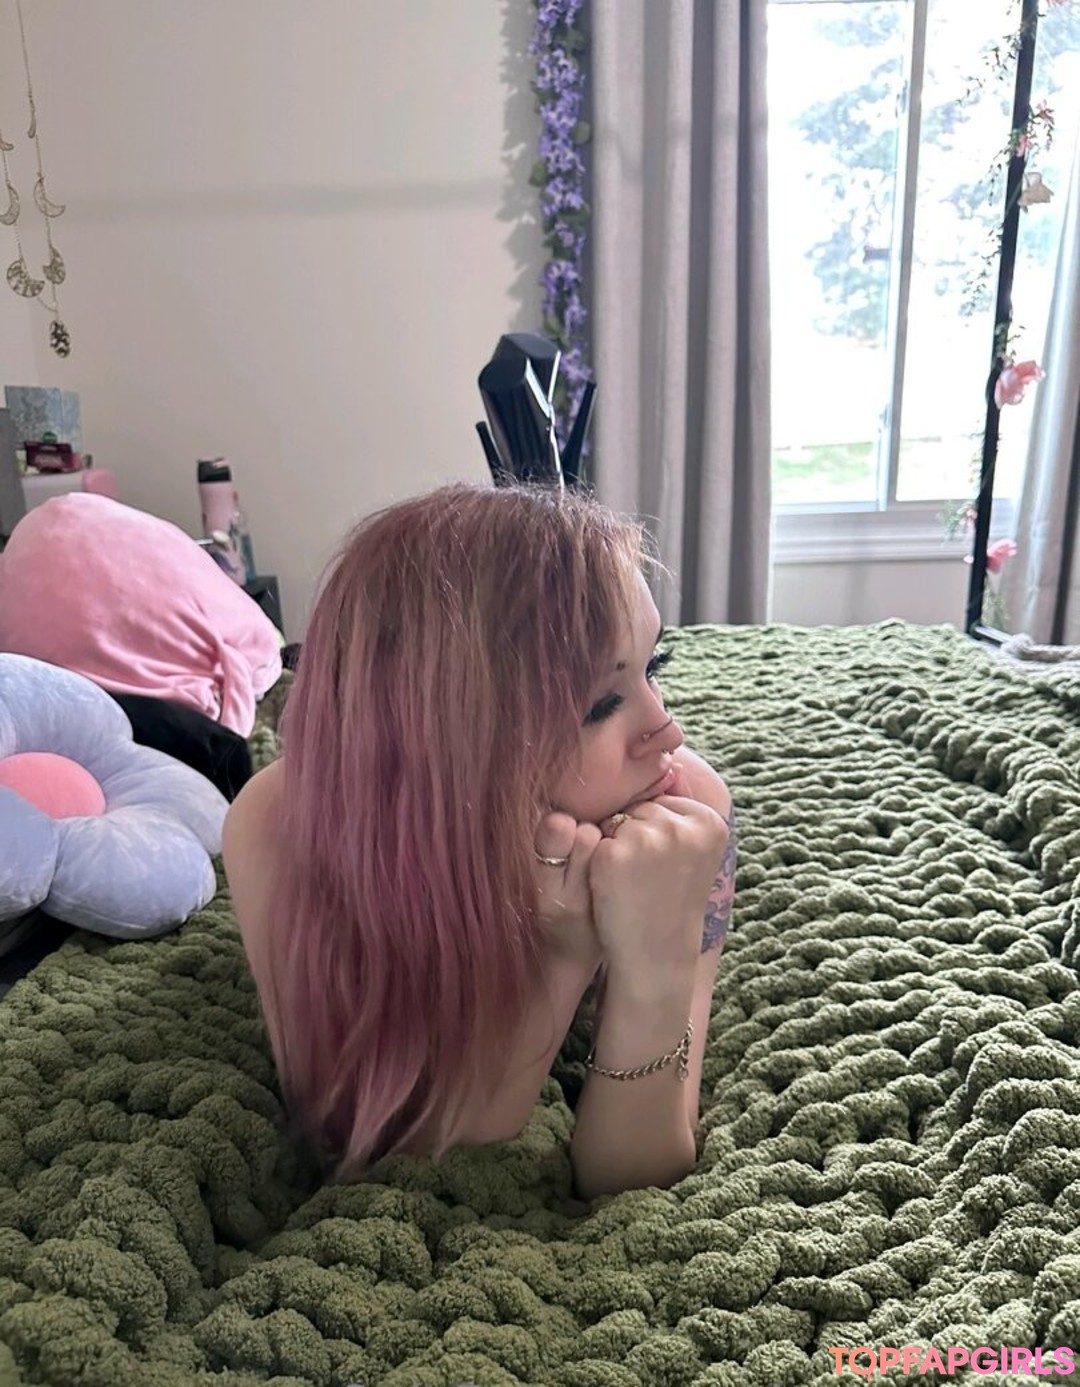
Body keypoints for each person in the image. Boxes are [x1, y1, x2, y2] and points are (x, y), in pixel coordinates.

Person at [223, 482, 736, 1200]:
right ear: (447, 747)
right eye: (599, 704)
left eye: (654, 668)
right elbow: (377, 1148)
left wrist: (656, 967)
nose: (667, 730)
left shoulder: (686, 811)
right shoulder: (276, 823)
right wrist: (563, 960)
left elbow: (635, 1174)